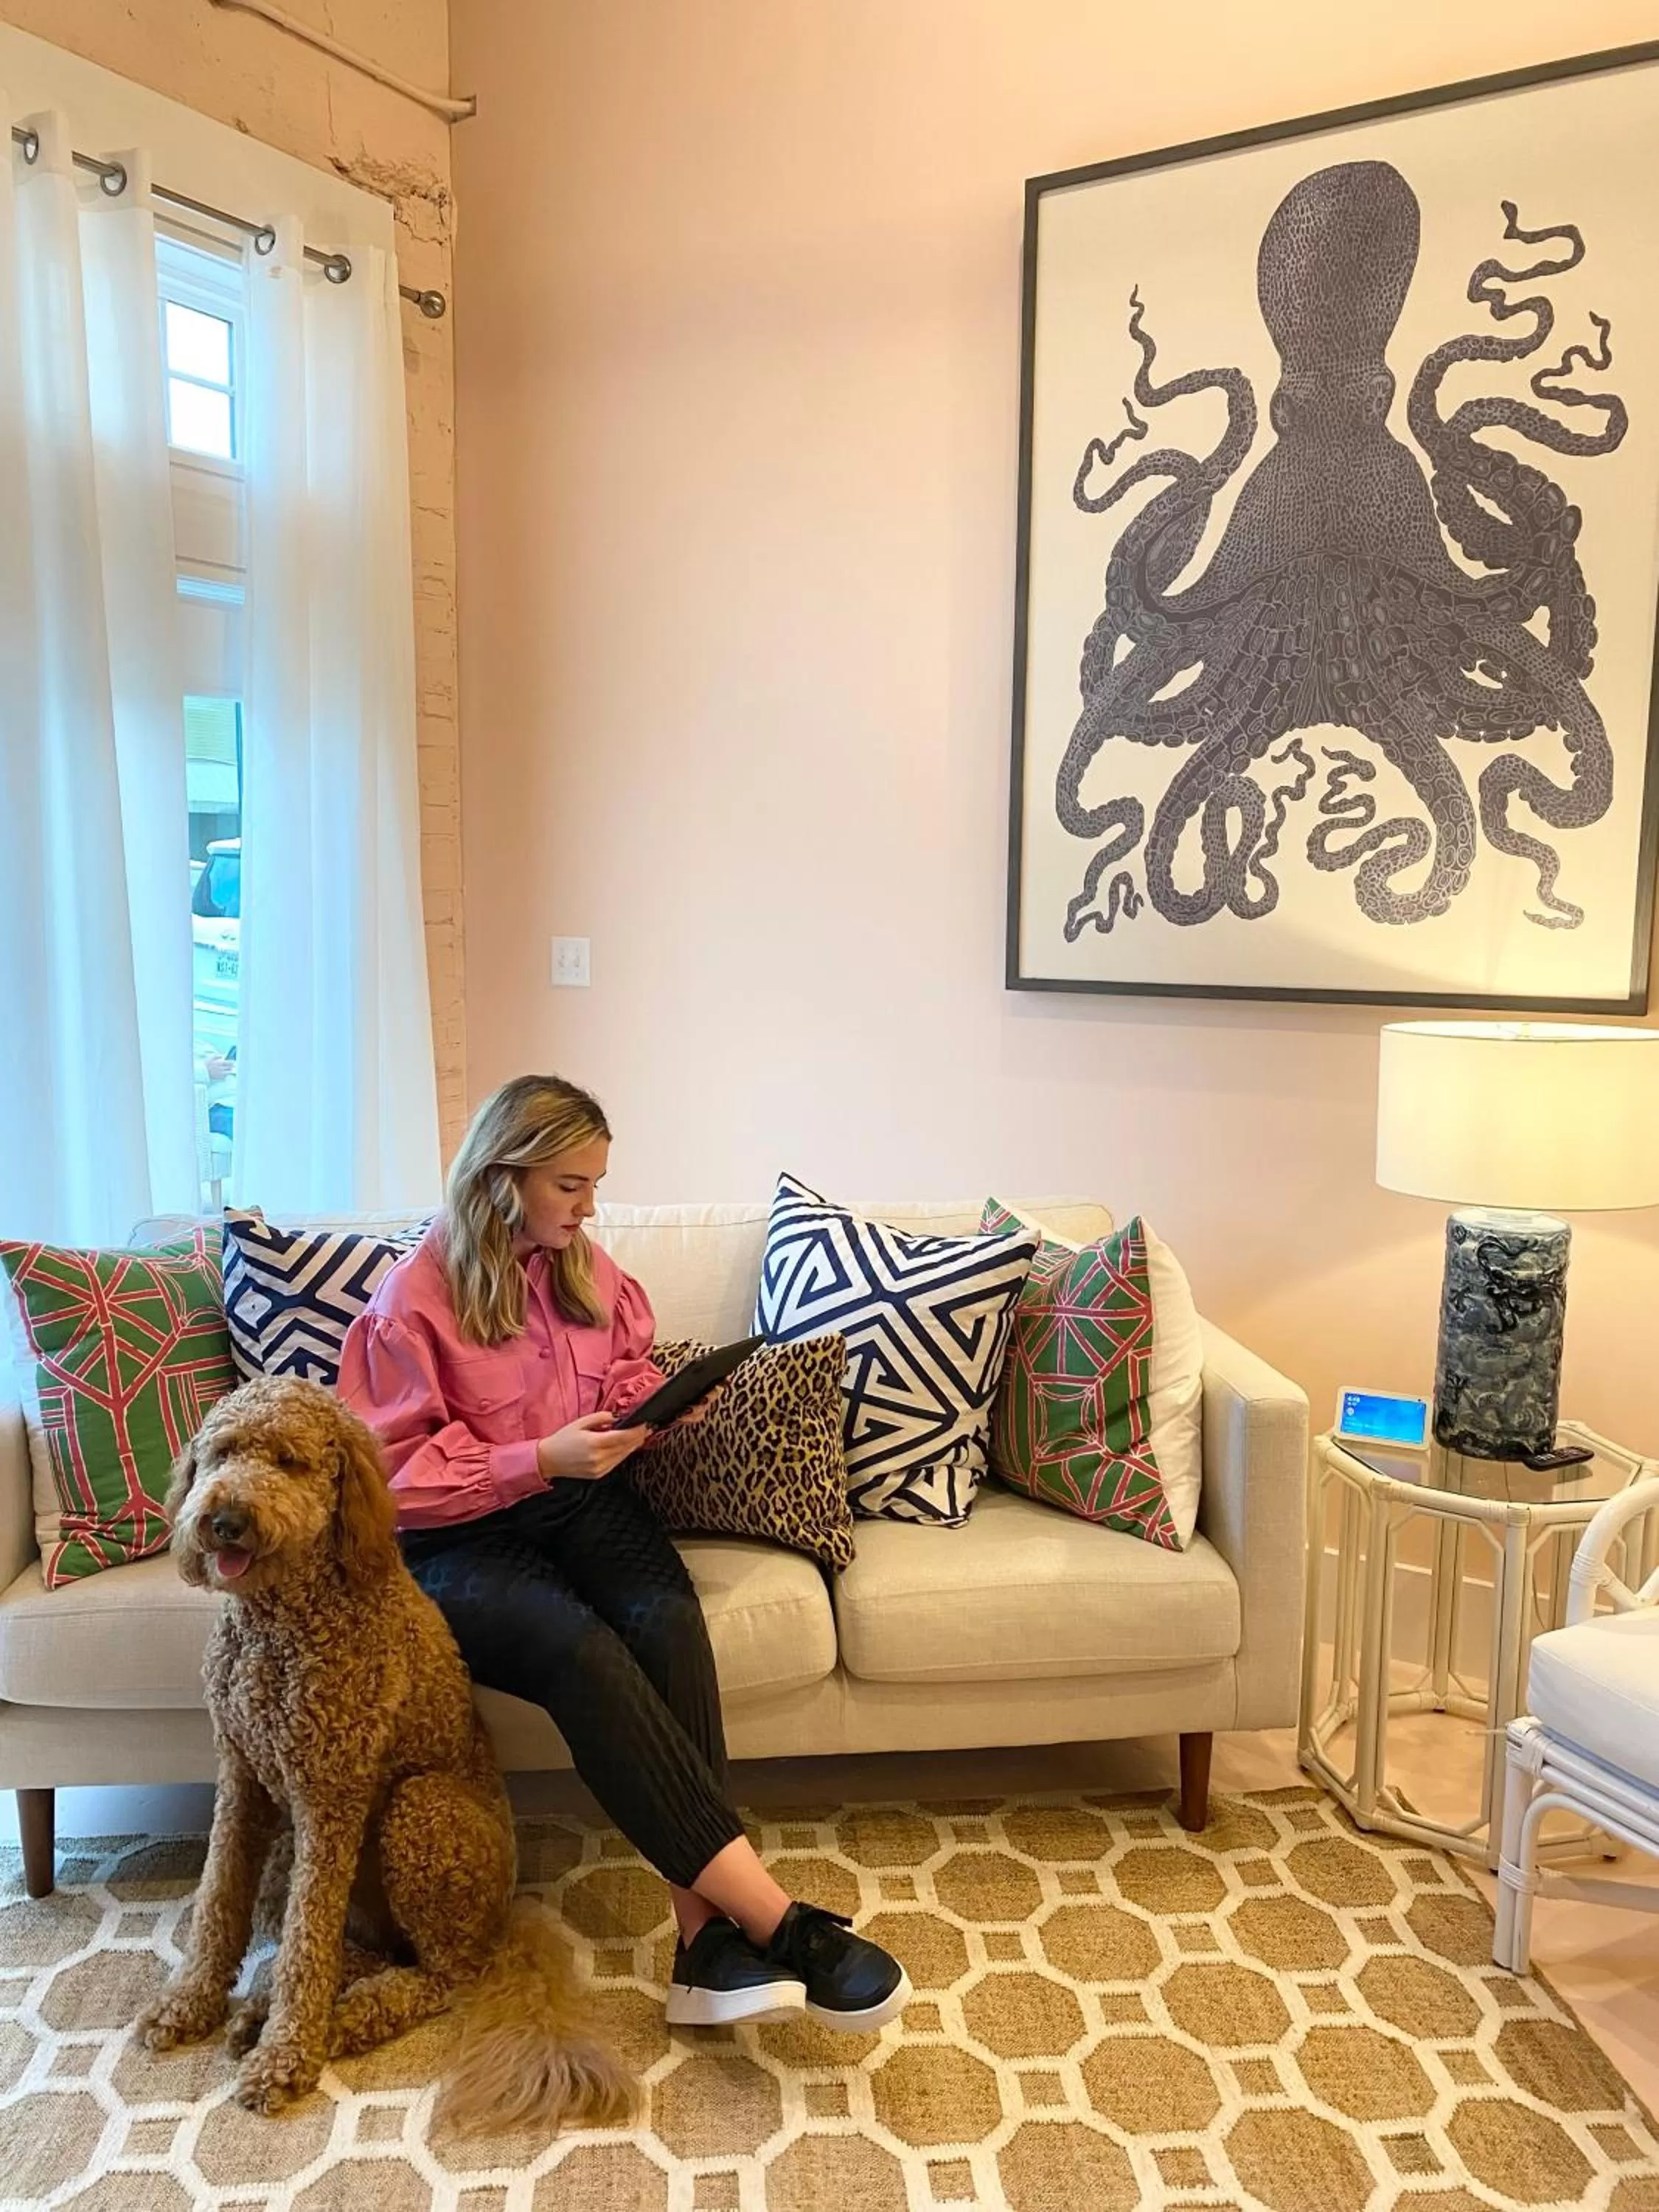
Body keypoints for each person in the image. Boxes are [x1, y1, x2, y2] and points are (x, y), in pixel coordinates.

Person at [336, 1074, 908, 2033]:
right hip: (456, 1537)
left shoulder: (582, 1266)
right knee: (580, 1653)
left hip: (580, 1498)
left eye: (594, 1183)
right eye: (571, 1184)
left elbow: (620, 1366)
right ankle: (779, 1922)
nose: (589, 1205)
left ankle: (700, 1944)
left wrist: (661, 1402)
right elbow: (389, 1476)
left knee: (668, 1622)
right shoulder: (415, 1299)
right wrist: (534, 1457)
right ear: (502, 1174)